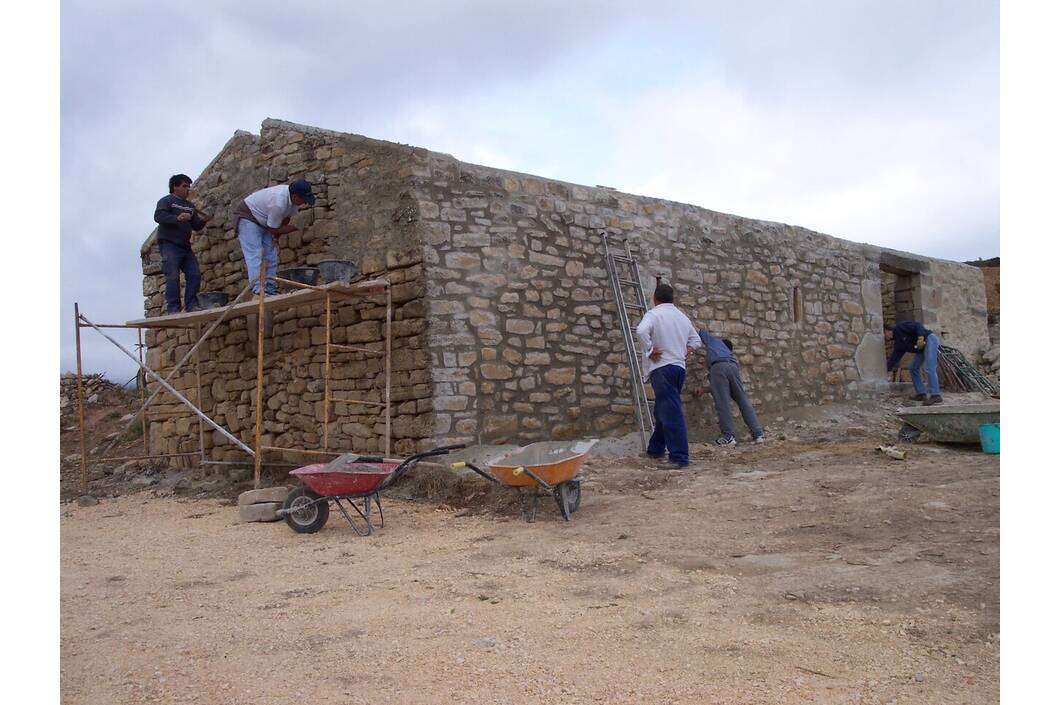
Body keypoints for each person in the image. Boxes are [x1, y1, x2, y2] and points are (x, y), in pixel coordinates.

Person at [635, 283, 702, 468]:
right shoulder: (682, 317)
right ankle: (655, 450)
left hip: (662, 367)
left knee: (670, 412)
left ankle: (679, 457)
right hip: (679, 368)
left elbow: (640, 331)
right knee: (662, 410)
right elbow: (696, 340)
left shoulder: (654, 314)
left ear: (655, 298)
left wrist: (649, 350)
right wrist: (685, 351)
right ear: (672, 299)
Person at [232, 179, 315, 294]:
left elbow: (285, 219)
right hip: (248, 217)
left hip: (264, 221)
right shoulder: (278, 202)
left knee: (272, 255)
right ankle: (258, 289)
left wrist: (276, 236)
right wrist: (295, 228)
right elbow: (273, 229)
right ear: (295, 196)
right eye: (303, 200)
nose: (304, 203)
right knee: (255, 253)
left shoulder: (293, 202)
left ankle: (270, 288)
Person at [695, 330, 765, 445]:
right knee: (742, 400)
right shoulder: (729, 355)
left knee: (723, 403)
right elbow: (722, 387)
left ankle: (728, 436)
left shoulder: (714, 342)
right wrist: (704, 390)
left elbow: (700, 332)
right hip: (733, 368)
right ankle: (758, 434)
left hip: (718, 368)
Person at [154, 174, 210, 314]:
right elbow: (158, 216)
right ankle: (174, 309)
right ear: (175, 187)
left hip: (185, 246)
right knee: (172, 275)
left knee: (194, 274)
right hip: (169, 244)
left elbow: (196, 226)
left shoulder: (190, 206)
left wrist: (204, 220)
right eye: (185, 186)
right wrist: (176, 218)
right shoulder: (167, 201)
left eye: (189, 186)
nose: (188, 189)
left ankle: (191, 305)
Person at [885, 320, 943, 405]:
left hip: (929, 339)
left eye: (884, 334)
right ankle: (921, 394)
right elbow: (895, 358)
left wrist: (920, 337)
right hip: (921, 349)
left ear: (887, 331)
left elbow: (918, 325)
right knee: (913, 368)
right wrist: (886, 369)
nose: (884, 337)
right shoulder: (899, 343)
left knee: (929, 367)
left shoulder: (900, 327)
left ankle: (936, 395)